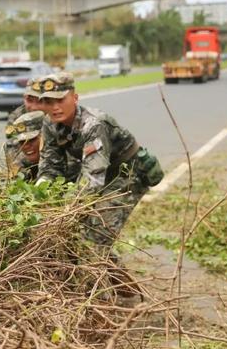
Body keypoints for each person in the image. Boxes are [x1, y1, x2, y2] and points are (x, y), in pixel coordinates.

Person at [36, 72, 163, 248]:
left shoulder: (94, 125)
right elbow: (50, 166)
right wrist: (37, 194)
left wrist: (63, 211)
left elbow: (92, 180)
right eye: (49, 102)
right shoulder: (50, 124)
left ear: (75, 98)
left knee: (95, 238)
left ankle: (107, 274)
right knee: (76, 236)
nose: (55, 107)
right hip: (99, 172)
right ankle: (113, 275)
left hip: (127, 174)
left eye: (60, 100)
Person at [4, 110, 44, 181]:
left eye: (31, 140)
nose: (25, 146)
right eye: (21, 142)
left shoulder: (60, 160)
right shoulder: (22, 164)